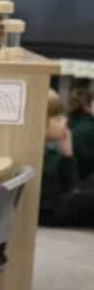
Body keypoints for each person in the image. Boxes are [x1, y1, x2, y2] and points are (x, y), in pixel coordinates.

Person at [40, 89, 94, 227]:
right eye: (58, 119)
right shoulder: (39, 155)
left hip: (58, 202)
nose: (65, 121)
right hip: (48, 211)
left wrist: (67, 154)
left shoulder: (50, 150)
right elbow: (67, 187)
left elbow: (69, 184)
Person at [67, 87, 94, 180]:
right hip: (86, 179)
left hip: (72, 178)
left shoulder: (68, 123)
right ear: (88, 106)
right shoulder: (89, 127)